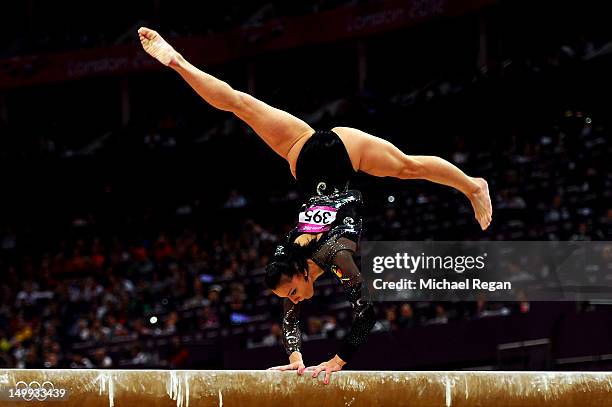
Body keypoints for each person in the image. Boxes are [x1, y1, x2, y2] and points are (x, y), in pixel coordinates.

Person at [138, 27, 493, 382]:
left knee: (407, 166)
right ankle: (177, 61)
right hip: (302, 154)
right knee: (238, 103)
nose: (293, 299)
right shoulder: (296, 263)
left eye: (292, 291)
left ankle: (472, 185)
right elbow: (297, 316)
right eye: (289, 294)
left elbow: (366, 315)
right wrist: (296, 357)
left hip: (337, 153)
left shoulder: (332, 255)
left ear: (302, 273)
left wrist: (336, 362)